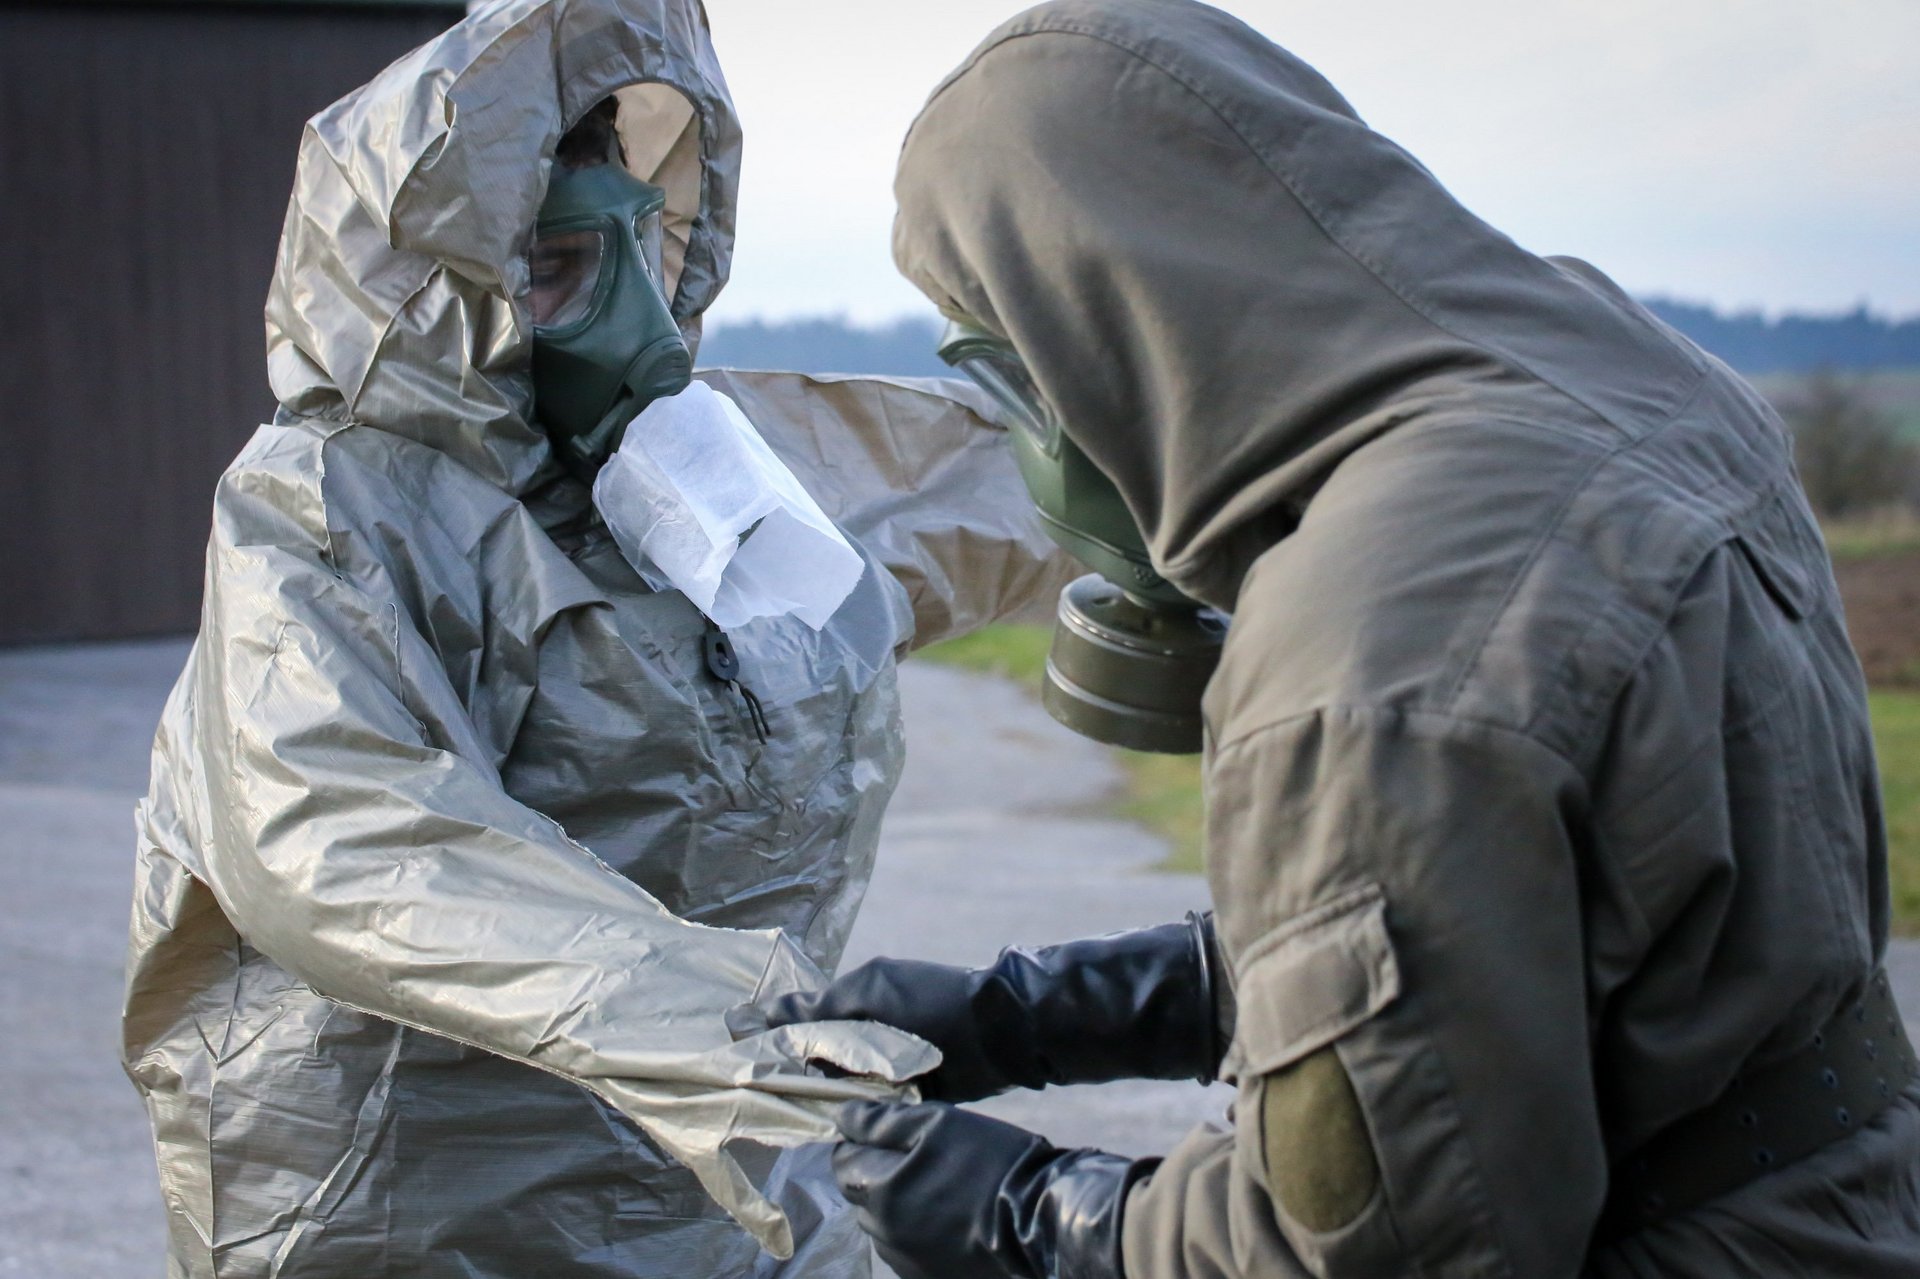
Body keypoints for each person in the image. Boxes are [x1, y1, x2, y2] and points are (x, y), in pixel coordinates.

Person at [763, 1, 1920, 1276]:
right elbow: (1516, 927)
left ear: (1093, 340)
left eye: (1011, 376)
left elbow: (1377, 1252)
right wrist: (1035, 1015)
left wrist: (1027, 1213)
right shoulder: (1643, 385)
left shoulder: (1365, 650)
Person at [119, 3, 1072, 1277]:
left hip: (712, 1181)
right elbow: (345, 834)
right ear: (445, 295)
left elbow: (989, 491)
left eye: (645, 243)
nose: (637, 315)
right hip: (416, 1207)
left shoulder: (712, 463)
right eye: (557, 268)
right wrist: (731, 1036)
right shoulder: (336, 505)